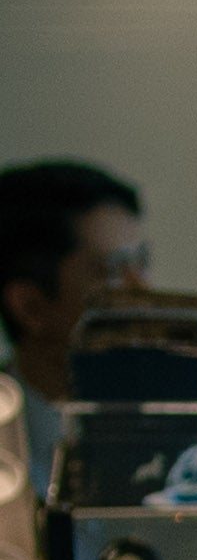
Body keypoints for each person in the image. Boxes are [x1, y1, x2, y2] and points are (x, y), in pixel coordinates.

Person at [0, 159, 148, 498]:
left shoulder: (174, 429)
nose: (142, 292)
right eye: (113, 270)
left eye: (141, 262)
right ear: (30, 307)